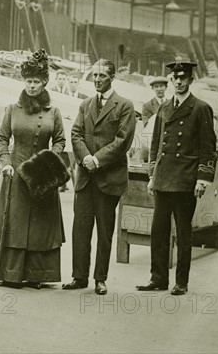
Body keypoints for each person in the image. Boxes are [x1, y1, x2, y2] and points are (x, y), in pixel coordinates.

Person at [0, 48, 67, 289]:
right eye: (28, 81)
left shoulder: (53, 111)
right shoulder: (12, 109)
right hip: (16, 176)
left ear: (44, 83)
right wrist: (6, 164)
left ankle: (37, 274)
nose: (32, 86)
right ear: (23, 81)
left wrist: (49, 163)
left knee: (41, 226)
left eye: (37, 82)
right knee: (16, 225)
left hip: (42, 177)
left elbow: (61, 140)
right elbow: (2, 139)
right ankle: (11, 273)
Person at [137, 59, 217, 296]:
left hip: (186, 180)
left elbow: (208, 147)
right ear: (172, 81)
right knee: (159, 231)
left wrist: (203, 178)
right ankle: (158, 278)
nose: (179, 82)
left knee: (183, 233)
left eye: (183, 78)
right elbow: (156, 144)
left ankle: (181, 281)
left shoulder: (201, 108)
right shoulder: (164, 109)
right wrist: (153, 174)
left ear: (191, 80)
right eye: (176, 79)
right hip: (163, 178)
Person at [63, 59, 136, 295]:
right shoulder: (85, 105)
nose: (97, 79)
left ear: (112, 77)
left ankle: (100, 278)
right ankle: (79, 276)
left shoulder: (124, 106)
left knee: (105, 232)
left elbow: (123, 140)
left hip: (108, 179)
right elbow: (75, 134)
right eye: (94, 75)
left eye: (102, 76)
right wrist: (85, 158)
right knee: (81, 229)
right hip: (85, 178)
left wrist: (97, 159)